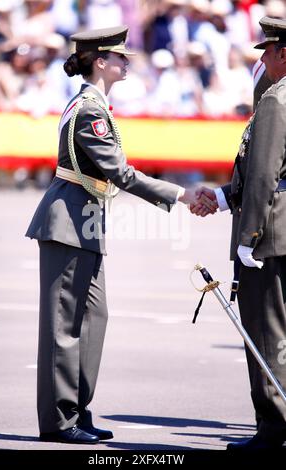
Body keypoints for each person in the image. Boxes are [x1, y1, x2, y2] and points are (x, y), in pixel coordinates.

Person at [25, 25, 215, 445]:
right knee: (64, 325)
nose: (126, 62)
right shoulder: (90, 109)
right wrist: (183, 196)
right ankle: (58, 421)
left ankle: (77, 408)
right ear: (100, 62)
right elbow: (121, 173)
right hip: (67, 223)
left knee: (93, 319)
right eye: (120, 57)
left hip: (86, 221)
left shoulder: (96, 104)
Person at [193, 16, 286, 450]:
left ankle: (273, 429)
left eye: (268, 51)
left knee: (267, 334)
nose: (263, 59)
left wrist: (248, 236)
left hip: (271, 232)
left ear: (284, 53)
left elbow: (266, 174)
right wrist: (225, 194)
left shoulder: (276, 101)